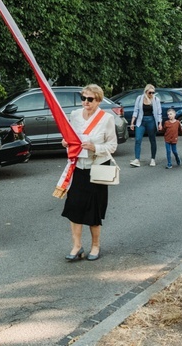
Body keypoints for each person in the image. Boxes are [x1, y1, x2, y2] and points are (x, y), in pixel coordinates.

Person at [61, 84, 117, 262]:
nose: (85, 102)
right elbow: (69, 137)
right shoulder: (75, 115)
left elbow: (112, 146)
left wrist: (95, 147)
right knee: (74, 206)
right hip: (78, 166)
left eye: (90, 99)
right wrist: (66, 142)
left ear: (98, 100)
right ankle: (77, 246)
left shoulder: (106, 118)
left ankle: (95, 246)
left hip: (98, 166)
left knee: (94, 209)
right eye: (83, 98)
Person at [129, 84, 163, 167]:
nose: (151, 94)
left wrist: (160, 123)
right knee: (138, 139)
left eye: (153, 92)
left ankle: (153, 159)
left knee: (152, 139)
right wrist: (132, 122)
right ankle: (137, 159)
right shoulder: (140, 98)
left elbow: (159, 113)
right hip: (141, 121)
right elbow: (136, 111)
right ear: (146, 91)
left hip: (151, 120)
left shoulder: (156, 99)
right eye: (150, 92)